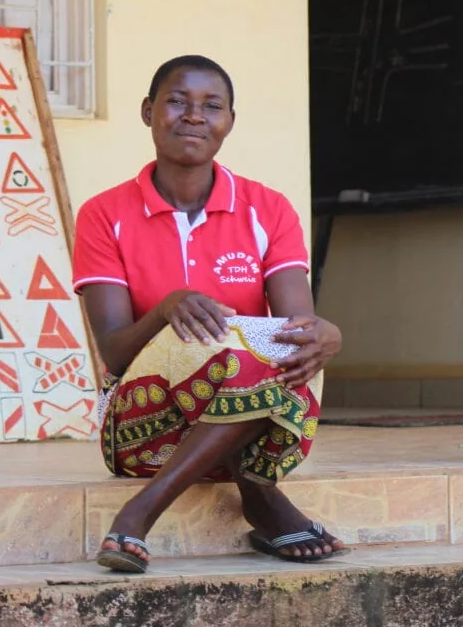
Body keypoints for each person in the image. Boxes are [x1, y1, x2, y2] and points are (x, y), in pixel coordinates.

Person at [73, 55, 347, 573]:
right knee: (242, 360)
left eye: (211, 106)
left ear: (229, 122)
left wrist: (327, 336)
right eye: (177, 101)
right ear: (148, 111)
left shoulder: (268, 209)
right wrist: (165, 310)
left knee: (278, 353)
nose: (193, 116)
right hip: (145, 432)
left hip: (248, 419)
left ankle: (148, 512)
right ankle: (256, 495)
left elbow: (293, 333)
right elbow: (113, 353)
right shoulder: (104, 214)